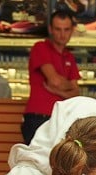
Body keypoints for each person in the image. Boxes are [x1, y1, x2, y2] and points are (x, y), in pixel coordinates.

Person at [21, 10, 81, 144]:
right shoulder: (40, 47)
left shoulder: (69, 56)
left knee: (56, 164)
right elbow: (55, 81)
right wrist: (67, 86)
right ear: (50, 29)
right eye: (58, 29)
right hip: (37, 117)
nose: (62, 34)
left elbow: (76, 93)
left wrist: (58, 91)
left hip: (60, 120)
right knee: (34, 163)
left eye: (66, 29)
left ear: (72, 30)